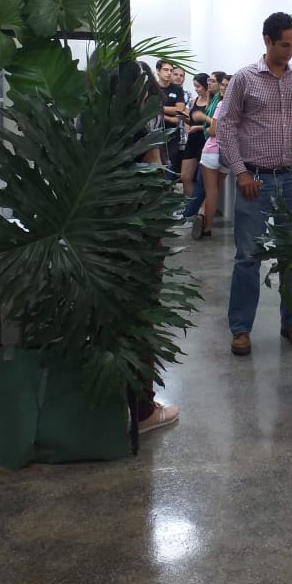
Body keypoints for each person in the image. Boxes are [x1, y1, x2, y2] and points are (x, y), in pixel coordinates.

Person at [217, 13, 292, 356]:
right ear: (267, 40)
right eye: (284, 44)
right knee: (248, 256)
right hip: (254, 180)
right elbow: (226, 126)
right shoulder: (245, 79)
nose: (290, 51)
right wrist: (240, 172)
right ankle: (241, 328)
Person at [112, 61, 179, 432]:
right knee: (140, 316)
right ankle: (142, 410)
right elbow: (153, 179)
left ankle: (110, 406)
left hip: (99, 230)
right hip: (138, 232)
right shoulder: (143, 127)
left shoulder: (90, 122)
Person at [191, 74, 231, 240]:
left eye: (226, 85)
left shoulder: (221, 104)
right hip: (228, 153)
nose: (223, 88)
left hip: (212, 151)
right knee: (216, 190)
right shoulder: (240, 105)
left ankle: (207, 228)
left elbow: (213, 130)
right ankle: (202, 215)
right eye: (222, 84)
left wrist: (204, 122)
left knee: (211, 192)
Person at [180, 73, 209, 199]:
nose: (196, 89)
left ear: (205, 86)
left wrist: (198, 127)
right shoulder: (194, 101)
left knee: (202, 179)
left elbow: (214, 125)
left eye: (198, 86)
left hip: (204, 140)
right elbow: (191, 121)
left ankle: (199, 206)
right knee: (185, 176)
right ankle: (191, 204)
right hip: (192, 140)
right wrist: (184, 118)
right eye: (194, 86)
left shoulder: (212, 103)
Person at [156, 59, 186, 178]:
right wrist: (169, 113)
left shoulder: (177, 89)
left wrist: (160, 108)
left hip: (172, 134)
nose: (169, 73)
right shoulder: (152, 87)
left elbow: (179, 109)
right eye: (165, 70)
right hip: (154, 132)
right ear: (158, 71)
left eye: (170, 70)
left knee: (170, 163)